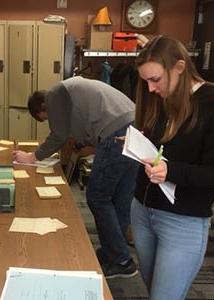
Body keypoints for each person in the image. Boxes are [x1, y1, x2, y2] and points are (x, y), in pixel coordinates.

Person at [131, 36, 214, 299]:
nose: (150, 88)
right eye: (145, 80)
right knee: (154, 290)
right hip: (143, 210)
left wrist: (171, 171)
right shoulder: (164, 98)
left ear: (180, 67)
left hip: (182, 220)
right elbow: (166, 149)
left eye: (155, 80)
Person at [13, 76, 139, 278]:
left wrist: (31, 156)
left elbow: (59, 135)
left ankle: (122, 260)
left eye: (46, 118)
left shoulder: (55, 94)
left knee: (97, 197)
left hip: (116, 133)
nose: (50, 119)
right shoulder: (71, 93)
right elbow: (81, 133)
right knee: (118, 200)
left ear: (43, 107)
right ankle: (113, 254)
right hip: (135, 128)